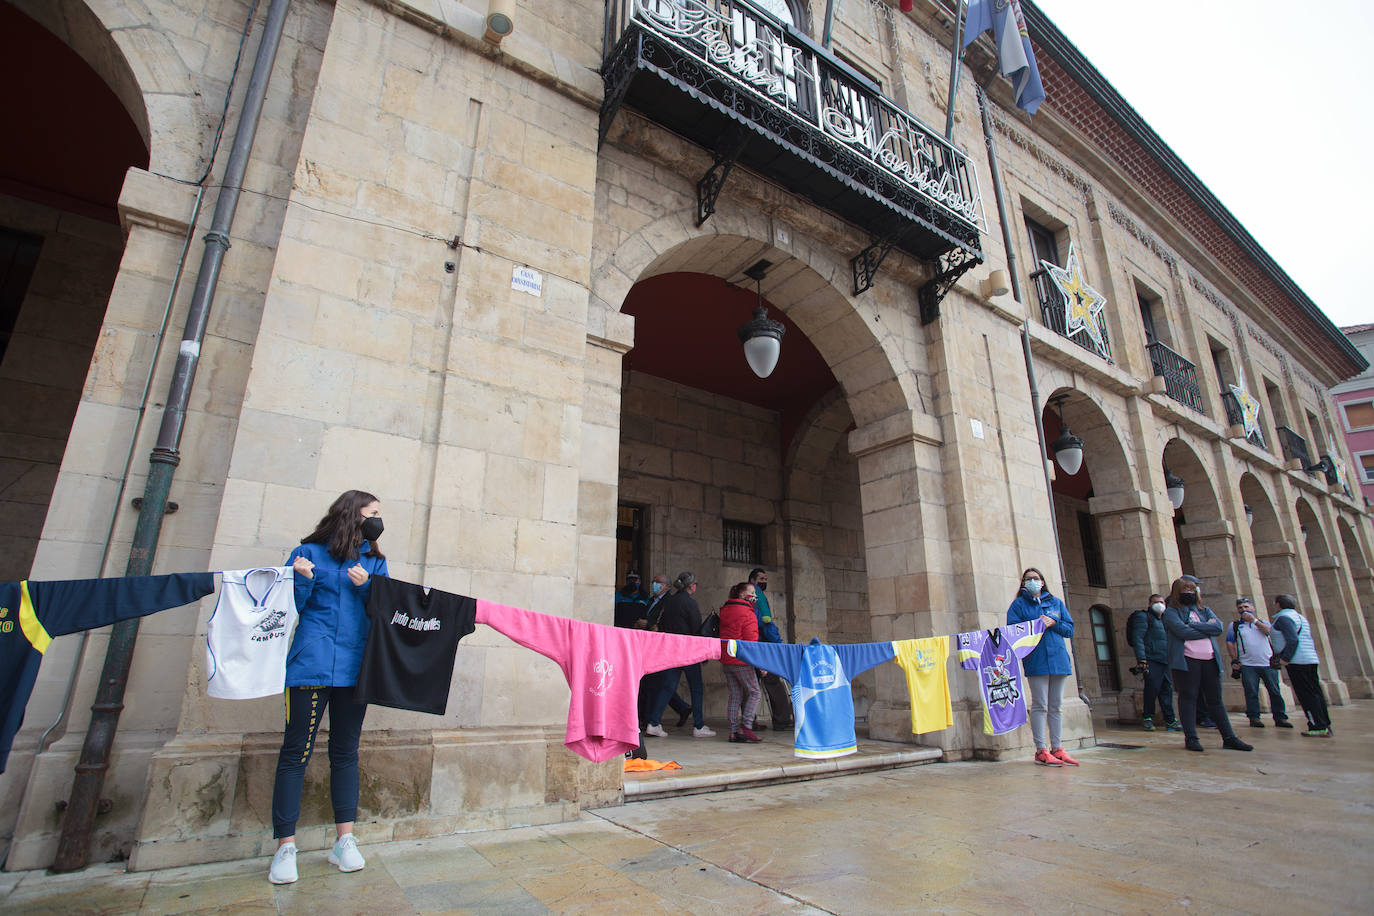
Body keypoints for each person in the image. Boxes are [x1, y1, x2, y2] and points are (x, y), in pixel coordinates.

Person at [268, 490, 389, 885]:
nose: (377, 522)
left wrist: (368, 586)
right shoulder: (308, 554)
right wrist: (301, 581)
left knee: (345, 753)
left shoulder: (374, 561)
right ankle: (286, 846)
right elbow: (284, 610)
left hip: (355, 669)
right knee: (295, 754)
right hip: (310, 667)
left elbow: (385, 615)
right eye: (372, 514)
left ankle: (345, 840)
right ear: (353, 515)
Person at [1160, 577, 1252, 753]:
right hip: (1187, 660)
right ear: (1177, 592)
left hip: (1209, 659)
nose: (1189, 593)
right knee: (1188, 698)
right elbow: (1181, 631)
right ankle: (1191, 738)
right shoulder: (1171, 612)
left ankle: (1229, 737)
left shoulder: (1204, 610)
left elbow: (1217, 628)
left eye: (1192, 589)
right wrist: (1204, 628)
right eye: (1185, 590)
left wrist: (1194, 626)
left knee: (1215, 700)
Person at [1006, 567, 1079, 767]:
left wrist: (1053, 623)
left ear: (1043, 582)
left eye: (1036, 578)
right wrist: (1035, 624)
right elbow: (1014, 632)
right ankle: (1041, 749)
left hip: (1058, 659)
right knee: (1040, 705)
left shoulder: (1055, 603)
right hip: (1036, 659)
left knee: (1056, 706)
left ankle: (1058, 747)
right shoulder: (1018, 605)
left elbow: (1069, 629)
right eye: (1028, 579)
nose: (1032, 582)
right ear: (1023, 583)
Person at [644, 572, 715, 738]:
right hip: (689, 651)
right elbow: (697, 629)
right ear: (691, 586)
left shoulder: (669, 602)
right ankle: (699, 726)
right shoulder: (690, 603)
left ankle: (654, 723)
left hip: (672, 650)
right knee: (696, 688)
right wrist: (703, 655)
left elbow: (661, 625)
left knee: (667, 687)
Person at [1269, 594, 1332, 737]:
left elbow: (1292, 639)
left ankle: (1317, 725)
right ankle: (1324, 723)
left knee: (1306, 694)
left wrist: (1285, 658)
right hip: (1309, 658)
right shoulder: (1299, 617)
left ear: (1278, 604)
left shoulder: (1283, 618)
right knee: (1315, 692)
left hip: (1297, 661)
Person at [1225, 597, 1292, 729]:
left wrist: (1254, 621)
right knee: (1251, 691)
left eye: (1246, 607)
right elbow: (1230, 642)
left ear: (1253, 608)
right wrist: (1234, 659)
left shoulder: (1263, 622)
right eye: (1240, 608)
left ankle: (1280, 717)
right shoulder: (1235, 625)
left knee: (1274, 690)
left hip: (1267, 663)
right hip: (1248, 664)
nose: (1243, 610)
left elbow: (1269, 632)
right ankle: (1254, 717)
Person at [1127, 594, 1181, 732]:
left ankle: (1170, 720)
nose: (1160, 605)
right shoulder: (1144, 617)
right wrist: (1142, 659)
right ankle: (1147, 718)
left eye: (1162, 602)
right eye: (1156, 602)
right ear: (1150, 604)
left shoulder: (1164, 619)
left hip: (1164, 659)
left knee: (1166, 689)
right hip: (1151, 659)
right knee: (1152, 689)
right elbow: (1138, 638)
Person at [719, 582, 763, 743]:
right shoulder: (748, 613)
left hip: (726, 657)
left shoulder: (725, 609)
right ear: (743, 595)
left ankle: (733, 732)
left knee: (735, 694)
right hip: (741, 659)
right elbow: (752, 642)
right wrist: (759, 664)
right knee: (754, 692)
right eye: (752, 592)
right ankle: (747, 726)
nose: (755, 596)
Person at [749, 567, 792, 730]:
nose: (764, 581)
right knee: (773, 682)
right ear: (753, 581)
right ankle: (782, 720)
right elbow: (766, 622)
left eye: (766, 579)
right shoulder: (757, 595)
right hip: (763, 645)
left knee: (751, 686)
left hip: (752, 645)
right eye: (761, 578)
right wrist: (777, 640)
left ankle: (749, 721)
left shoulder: (747, 596)